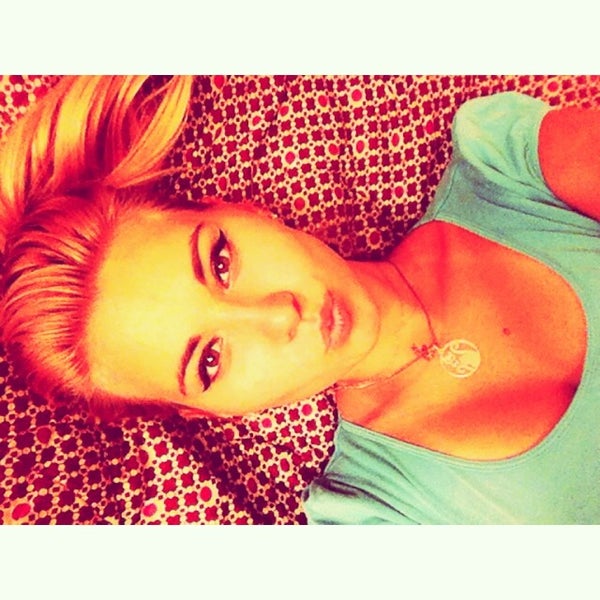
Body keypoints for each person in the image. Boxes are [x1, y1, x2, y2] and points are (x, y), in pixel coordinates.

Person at [1, 76, 599, 524]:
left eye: (221, 260)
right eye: (209, 360)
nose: (279, 314)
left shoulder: (502, 159)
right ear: (210, 414)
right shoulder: (374, 520)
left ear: (245, 211)